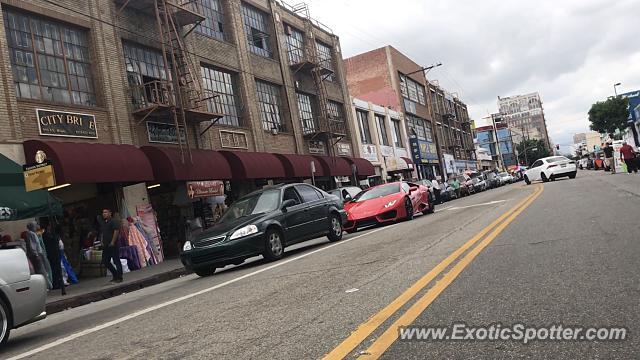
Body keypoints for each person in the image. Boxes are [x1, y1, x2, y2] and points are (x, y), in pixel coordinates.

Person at [41, 219, 66, 295]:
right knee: (54, 269)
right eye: (49, 226)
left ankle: (59, 282)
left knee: (58, 268)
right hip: (52, 253)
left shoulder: (51, 233)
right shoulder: (45, 234)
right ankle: (56, 283)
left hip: (55, 252)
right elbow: (50, 241)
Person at [25, 222, 53, 289]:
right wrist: (36, 255)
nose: (37, 226)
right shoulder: (31, 234)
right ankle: (46, 285)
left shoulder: (34, 233)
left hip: (38, 254)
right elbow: (33, 246)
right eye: (35, 225)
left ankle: (48, 285)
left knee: (43, 269)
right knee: (41, 270)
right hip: (36, 255)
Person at [100, 208, 123, 283]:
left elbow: (116, 231)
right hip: (106, 245)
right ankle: (115, 275)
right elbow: (103, 233)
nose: (104, 214)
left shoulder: (113, 221)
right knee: (105, 261)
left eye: (106, 212)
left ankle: (119, 277)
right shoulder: (104, 222)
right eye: (103, 212)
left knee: (116, 260)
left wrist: (113, 241)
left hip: (112, 244)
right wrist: (101, 241)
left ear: (110, 213)